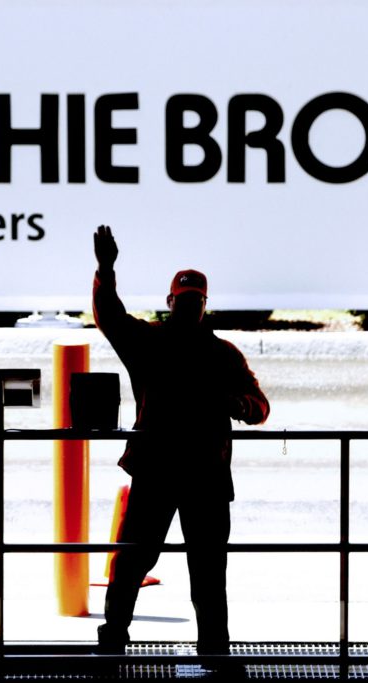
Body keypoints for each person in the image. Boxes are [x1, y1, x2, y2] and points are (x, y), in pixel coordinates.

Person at [92, 224, 270, 655]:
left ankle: (114, 640)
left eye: (192, 300)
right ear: (184, 303)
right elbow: (260, 408)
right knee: (206, 570)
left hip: (156, 470)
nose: (189, 305)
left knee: (134, 560)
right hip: (205, 474)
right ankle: (214, 649)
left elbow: (109, 316)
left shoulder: (148, 343)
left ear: (175, 302)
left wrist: (106, 270)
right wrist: (240, 405)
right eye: (188, 300)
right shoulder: (222, 354)